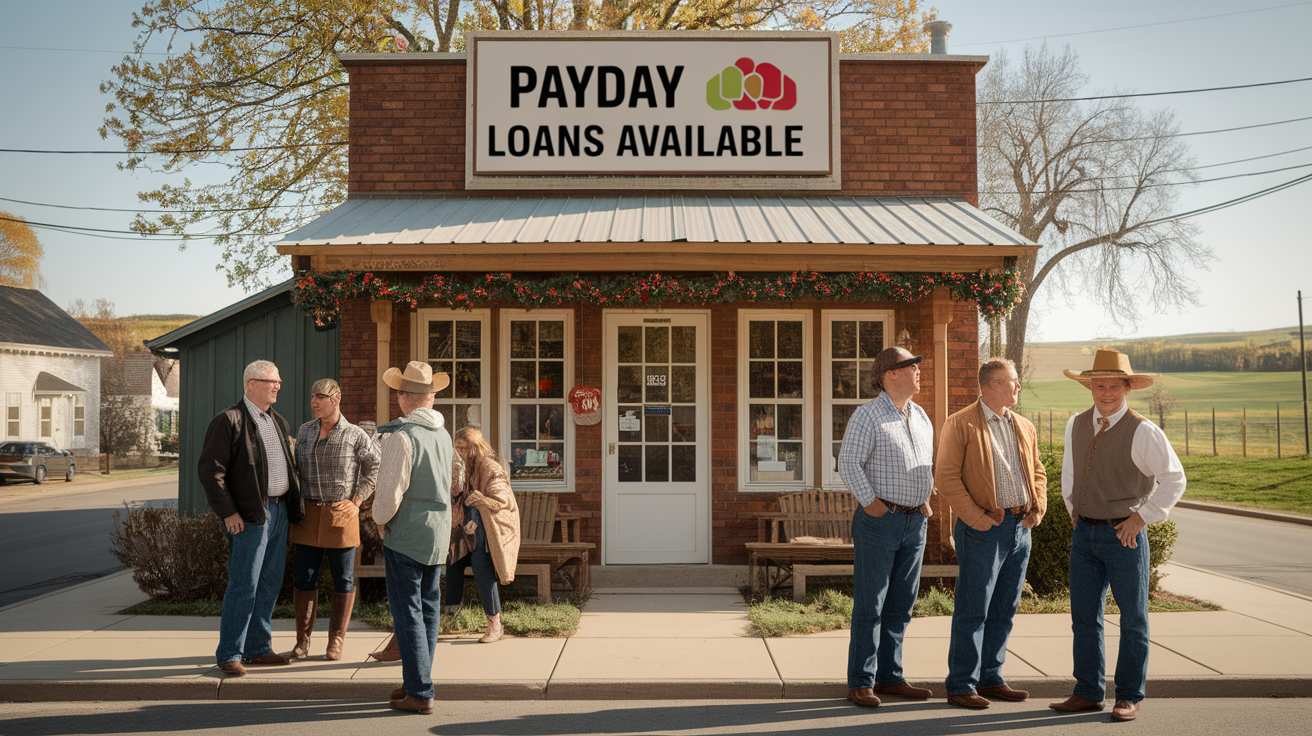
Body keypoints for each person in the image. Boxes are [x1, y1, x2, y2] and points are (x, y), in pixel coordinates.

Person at [1049, 349, 1186, 722]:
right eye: (1098, 385)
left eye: (1113, 385)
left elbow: (1175, 479)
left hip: (1124, 537)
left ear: (1127, 388)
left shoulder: (1144, 430)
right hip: (1085, 536)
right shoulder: (1076, 423)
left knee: (1133, 618)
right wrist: (1073, 510)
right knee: (1084, 617)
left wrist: (1141, 519)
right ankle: (1088, 692)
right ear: (1089, 387)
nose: (1105, 392)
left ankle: (1128, 696)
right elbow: (1070, 475)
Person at [936, 358, 1047, 709]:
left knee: (1004, 608)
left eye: (1016, 382)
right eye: (1011, 381)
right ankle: (960, 684)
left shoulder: (1024, 425)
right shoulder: (960, 423)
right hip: (983, 529)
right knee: (973, 609)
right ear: (990, 386)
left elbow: (1038, 470)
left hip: (1020, 529)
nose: (1017, 387)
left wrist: (1037, 507)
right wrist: (976, 518)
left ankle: (991, 678)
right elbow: (946, 478)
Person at [837, 346, 936, 708]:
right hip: (881, 522)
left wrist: (926, 497)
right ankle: (861, 681)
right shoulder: (868, 415)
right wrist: (872, 503)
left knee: (901, 605)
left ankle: (890, 677)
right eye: (912, 366)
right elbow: (848, 463)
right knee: (871, 604)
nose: (919, 372)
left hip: (914, 522)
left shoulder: (920, 415)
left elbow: (925, 464)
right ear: (890, 373)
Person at [198, 359, 303, 677]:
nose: (277, 386)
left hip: (279, 513)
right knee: (244, 585)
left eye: (279, 381)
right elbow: (210, 472)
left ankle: (258, 648)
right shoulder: (228, 420)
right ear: (249, 384)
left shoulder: (277, 422)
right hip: (249, 517)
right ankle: (230, 652)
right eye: (270, 380)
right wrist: (228, 512)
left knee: (269, 584)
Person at [373, 361, 464, 715]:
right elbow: (456, 480)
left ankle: (420, 690)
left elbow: (390, 490)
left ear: (403, 398)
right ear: (430, 397)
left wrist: (380, 521)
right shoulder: (443, 435)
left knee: (408, 612)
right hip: (438, 533)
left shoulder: (402, 436)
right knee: (428, 611)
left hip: (407, 533)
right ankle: (417, 680)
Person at [289, 378, 380, 661]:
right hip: (307, 514)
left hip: (341, 513)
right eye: (312, 397)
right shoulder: (304, 431)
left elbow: (374, 465)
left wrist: (357, 501)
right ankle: (302, 641)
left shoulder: (355, 435)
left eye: (320, 397)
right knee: (304, 578)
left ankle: (335, 642)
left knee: (343, 579)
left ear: (336, 398)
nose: (314, 402)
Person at [446, 425, 521, 643]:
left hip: (491, 531)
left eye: (462, 447)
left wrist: (478, 504)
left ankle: (495, 623)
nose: (457, 451)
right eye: (456, 447)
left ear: (474, 448)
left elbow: (502, 500)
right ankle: (452, 617)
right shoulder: (462, 468)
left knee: (481, 566)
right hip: (467, 530)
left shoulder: (489, 467)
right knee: (453, 561)